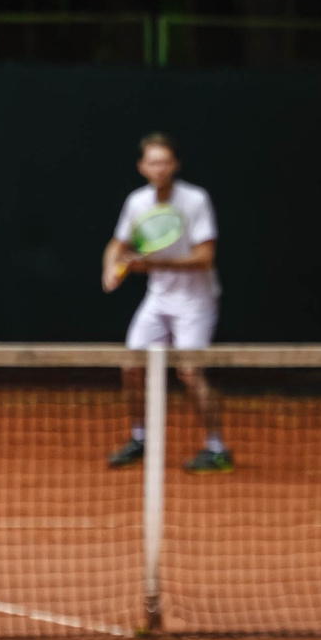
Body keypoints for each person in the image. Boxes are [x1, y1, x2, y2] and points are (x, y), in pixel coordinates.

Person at [102, 132, 231, 473]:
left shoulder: (195, 200)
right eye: (152, 162)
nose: (159, 168)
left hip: (195, 300)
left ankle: (217, 447)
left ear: (175, 165)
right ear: (142, 167)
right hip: (158, 298)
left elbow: (205, 257)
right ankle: (140, 437)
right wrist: (110, 271)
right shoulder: (137, 202)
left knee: (189, 372)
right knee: (130, 365)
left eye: (165, 161)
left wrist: (151, 265)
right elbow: (117, 243)